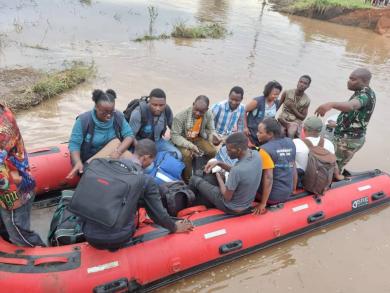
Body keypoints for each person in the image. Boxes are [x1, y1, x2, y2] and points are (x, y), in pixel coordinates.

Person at [82, 139, 193, 250]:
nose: (150, 164)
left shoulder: (109, 166)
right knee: (147, 200)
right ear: (145, 157)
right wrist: (174, 227)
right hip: (117, 238)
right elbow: (159, 216)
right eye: (151, 161)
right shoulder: (145, 180)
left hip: (88, 234)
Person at [0, 102, 45, 247]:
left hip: (13, 192)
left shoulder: (3, 129)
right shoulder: (3, 110)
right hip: (18, 179)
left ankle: (41, 255)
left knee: (18, 232)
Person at [315, 68, 376, 172]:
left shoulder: (364, 96)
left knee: (333, 166)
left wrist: (331, 104)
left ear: (364, 82)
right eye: (349, 78)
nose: (349, 81)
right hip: (347, 135)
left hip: (348, 141)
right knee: (332, 163)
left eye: (353, 79)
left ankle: (331, 184)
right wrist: (339, 124)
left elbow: (351, 106)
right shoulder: (361, 91)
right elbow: (356, 116)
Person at [67, 89, 134, 179]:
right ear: (96, 108)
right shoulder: (83, 120)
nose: (109, 115)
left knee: (132, 161)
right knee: (115, 142)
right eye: (104, 112)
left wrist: (119, 152)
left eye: (111, 112)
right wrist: (77, 162)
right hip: (90, 161)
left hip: (112, 155)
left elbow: (129, 135)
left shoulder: (118, 116)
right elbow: (74, 144)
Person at [189, 133, 262, 214]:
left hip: (231, 207)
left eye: (229, 150)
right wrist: (219, 163)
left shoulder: (236, 171)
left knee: (194, 179)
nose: (227, 152)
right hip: (247, 203)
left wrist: (219, 178)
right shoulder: (256, 154)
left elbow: (226, 197)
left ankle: (188, 205)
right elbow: (240, 173)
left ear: (238, 150)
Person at [253, 118, 296, 215]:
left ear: (270, 134)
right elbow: (293, 166)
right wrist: (293, 189)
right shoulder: (290, 142)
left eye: (260, 132)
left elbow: (268, 177)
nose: (257, 134)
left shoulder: (263, 150)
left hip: (272, 197)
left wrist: (263, 203)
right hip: (287, 192)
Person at [171, 95, 218, 182]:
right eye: (196, 110)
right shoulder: (180, 117)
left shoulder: (208, 114)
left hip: (197, 138)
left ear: (206, 110)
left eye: (201, 112)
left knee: (212, 151)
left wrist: (213, 137)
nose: (197, 113)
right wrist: (191, 146)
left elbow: (211, 129)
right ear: (193, 104)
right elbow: (175, 136)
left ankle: (205, 169)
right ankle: (188, 179)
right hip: (183, 139)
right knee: (187, 155)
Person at [128, 88, 181, 159]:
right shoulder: (138, 113)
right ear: (149, 102)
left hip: (158, 142)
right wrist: (141, 149)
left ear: (165, 103)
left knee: (178, 155)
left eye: (161, 105)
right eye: (154, 105)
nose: (158, 108)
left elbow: (174, 129)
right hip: (141, 143)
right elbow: (130, 136)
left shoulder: (166, 110)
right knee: (145, 163)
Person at [293, 116, 344, 187]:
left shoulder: (295, 143)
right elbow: (334, 163)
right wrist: (338, 175)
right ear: (320, 130)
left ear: (304, 129)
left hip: (301, 183)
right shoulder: (329, 143)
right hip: (321, 181)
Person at [212, 86, 245, 164]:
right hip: (215, 134)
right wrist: (214, 135)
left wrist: (238, 140)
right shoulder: (218, 106)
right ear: (228, 97)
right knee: (213, 153)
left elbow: (240, 126)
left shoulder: (242, 108)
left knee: (236, 155)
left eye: (237, 100)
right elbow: (209, 124)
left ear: (241, 100)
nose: (233, 102)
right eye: (231, 99)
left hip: (228, 136)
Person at [245, 80, 283, 146]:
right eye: (274, 94)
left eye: (278, 95)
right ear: (268, 92)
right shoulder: (257, 101)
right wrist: (245, 127)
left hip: (266, 132)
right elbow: (244, 111)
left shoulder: (276, 103)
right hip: (254, 131)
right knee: (254, 148)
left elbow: (272, 117)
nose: (276, 96)